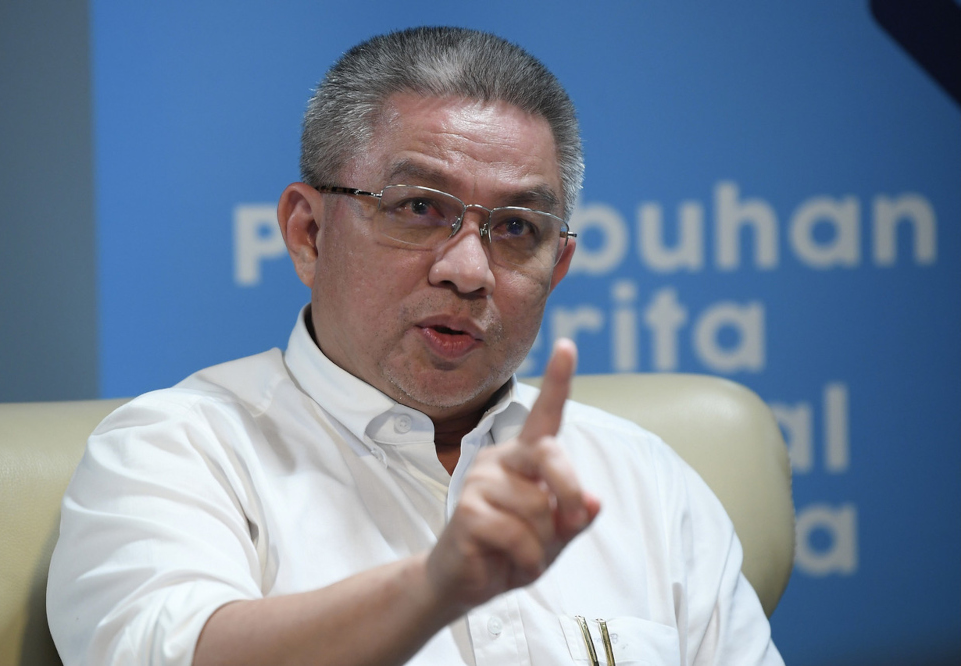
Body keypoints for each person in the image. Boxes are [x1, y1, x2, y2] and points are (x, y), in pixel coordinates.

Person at [47, 26, 784, 666]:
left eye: (516, 228)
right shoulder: (179, 451)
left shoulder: (643, 480)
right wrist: (432, 586)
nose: (468, 270)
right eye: (420, 208)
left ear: (557, 267)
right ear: (308, 233)